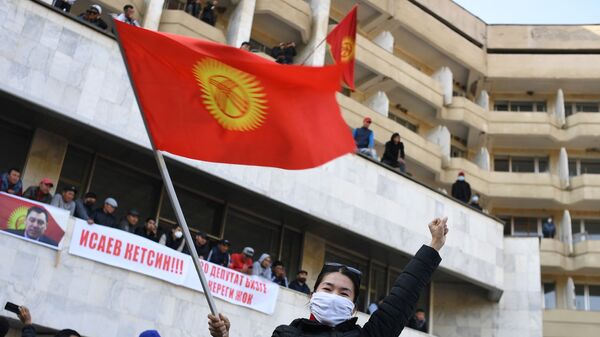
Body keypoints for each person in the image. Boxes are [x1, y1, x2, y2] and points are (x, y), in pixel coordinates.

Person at [208, 217, 448, 337]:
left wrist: (434, 246)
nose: (334, 296)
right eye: (328, 288)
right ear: (312, 296)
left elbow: (401, 298)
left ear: (353, 307)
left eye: (344, 293)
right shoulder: (286, 334)